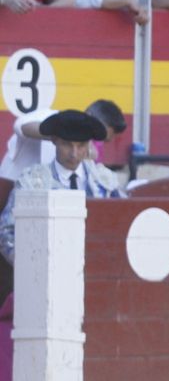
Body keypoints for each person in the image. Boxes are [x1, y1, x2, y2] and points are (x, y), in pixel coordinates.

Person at [0, 110, 125, 282]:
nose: (74, 153)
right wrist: (32, 267)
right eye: (67, 144)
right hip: (44, 276)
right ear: (54, 140)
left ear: (89, 144)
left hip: (96, 276)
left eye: (81, 146)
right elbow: (6, 232)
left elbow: (121, 229)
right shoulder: (32, 182)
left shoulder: (105, 183)